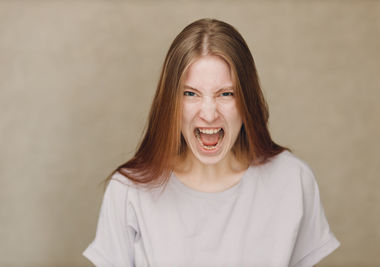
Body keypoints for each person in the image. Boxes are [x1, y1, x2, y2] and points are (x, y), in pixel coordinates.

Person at [83, 18, 340, 267]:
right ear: (171, 102)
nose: (208, 113)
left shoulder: (292, 180)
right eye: (190, 93)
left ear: (246, 101)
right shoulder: (128, 190)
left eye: (226, 94)